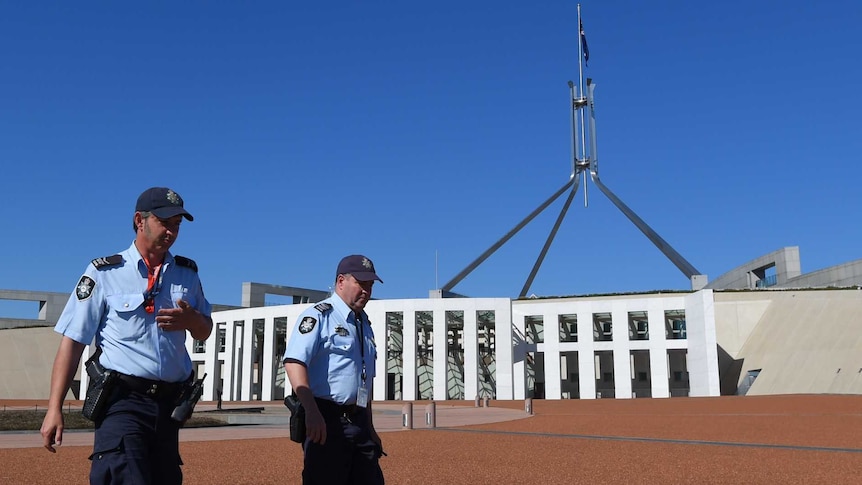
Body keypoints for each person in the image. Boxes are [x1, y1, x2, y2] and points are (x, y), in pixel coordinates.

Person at [40, 187, 213, 485]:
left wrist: (192, 319)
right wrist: (54, 407)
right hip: (123, 402)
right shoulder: (104, 273)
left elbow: (205, 330)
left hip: (168, 408)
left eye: (177, 225)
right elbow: (73, 342)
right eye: (164, 222)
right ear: (139, 220)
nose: (171, 231)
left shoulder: (187, 274)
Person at [283, 254, 385, 485]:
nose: (367, 291)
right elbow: (294, 363)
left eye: (370, 285)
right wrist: (311, 411)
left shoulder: (364, 324)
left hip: (359, 422)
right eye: (361, 284)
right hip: (326, 420)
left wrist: (370, 428)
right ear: (341, 281)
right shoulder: (319, 316)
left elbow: (364, 381)